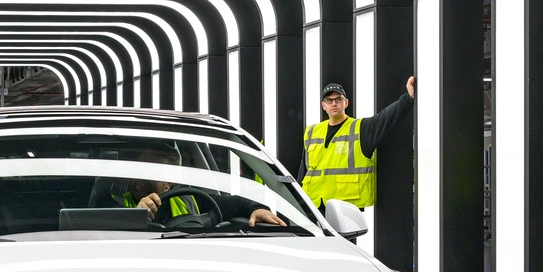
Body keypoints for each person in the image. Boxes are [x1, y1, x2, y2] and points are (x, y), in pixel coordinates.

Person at [300, 76, 416, 208]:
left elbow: (386, 118)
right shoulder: (312, 132)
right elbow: (303, 172)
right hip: (312, 206)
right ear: (323, 105)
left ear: (346, 103)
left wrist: (408, 97)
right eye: (329, 100)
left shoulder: (360, 129)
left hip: (345, 208)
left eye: (339, 99)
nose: (334, 103)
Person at [118, 142, 285, 227]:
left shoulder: (189, 200)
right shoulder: (113, 203)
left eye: (151, 173)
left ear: (169, 183)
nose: (140, 178)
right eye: (139, 169)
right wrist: (134, 216)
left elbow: (234, 203)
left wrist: (257, 208)